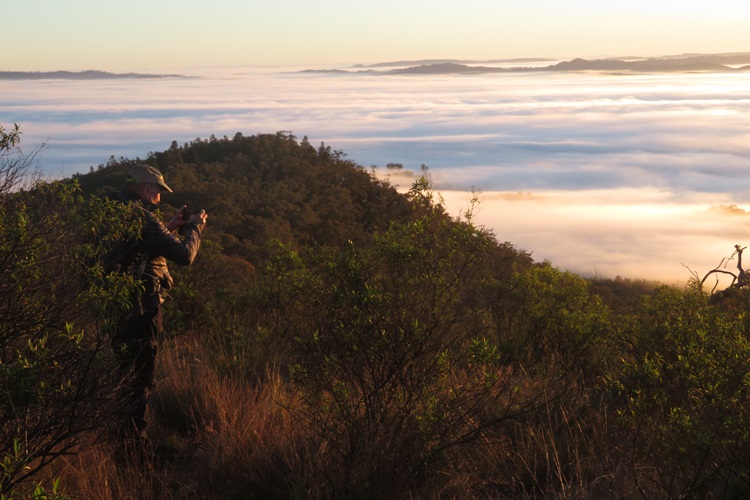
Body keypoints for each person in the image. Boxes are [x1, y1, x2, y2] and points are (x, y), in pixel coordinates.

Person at [109, 164, 207, 443]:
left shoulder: (113, 213)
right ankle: (134, 448)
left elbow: (136, 249)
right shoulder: (142, 219)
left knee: (124, 373)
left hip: (116, 307)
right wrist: (195, 228)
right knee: (141, 378)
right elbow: (184, 256)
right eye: (158, 192)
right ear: (147, 189)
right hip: (142, 308)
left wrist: (170, 228)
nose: (160, 199)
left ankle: (119, 437)